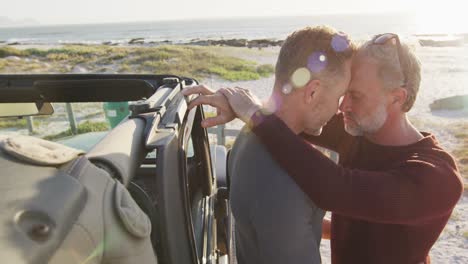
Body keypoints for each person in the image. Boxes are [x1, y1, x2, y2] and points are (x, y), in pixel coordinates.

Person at [183, 33, 464, 264]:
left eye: (354, 95)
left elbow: (336, 189)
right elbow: (294, 114)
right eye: (343, 94)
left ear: (397, 98)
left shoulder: (436, 177)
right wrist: (233, 101)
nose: (342, 107)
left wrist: (256, 114)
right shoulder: (358, 131)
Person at [185, 26, 355, 264]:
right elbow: (286, 217)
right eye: (339, 97)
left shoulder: (249, 134)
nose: (339, 108)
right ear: (313, 92)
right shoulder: (285, 180)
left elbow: (293, 224)